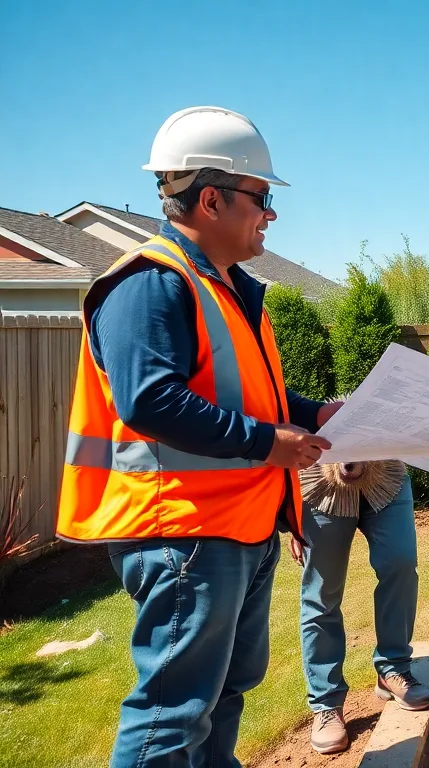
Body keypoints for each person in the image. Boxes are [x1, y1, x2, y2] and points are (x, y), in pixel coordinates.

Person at [55, 106, 338, 768]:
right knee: (173, 711)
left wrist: (319, 413)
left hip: (237, 527)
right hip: (180, 533)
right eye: (262, 198)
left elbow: (249, 397)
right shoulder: (150, 284)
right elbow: (151, 401)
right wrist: (273, 444)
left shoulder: (228, 289)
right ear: (210, 199)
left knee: (223, 695)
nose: (271, 215)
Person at [290, 462, 429, 755]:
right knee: (322, 593)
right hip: (320, 480)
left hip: (386, 474)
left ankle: (393, 669)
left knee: (401, 566)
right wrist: (290, 513)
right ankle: (326, 702)